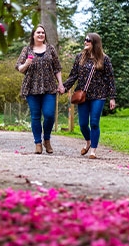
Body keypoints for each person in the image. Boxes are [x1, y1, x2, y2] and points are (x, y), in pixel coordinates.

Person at [62, 32, 117, 159]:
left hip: (99, 95)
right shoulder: (79, 57)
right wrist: (64, 87)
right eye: (85, 40)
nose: (85, 42)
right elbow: (73, 75)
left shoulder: (105, 59)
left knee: (94, 123)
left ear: (95, 43)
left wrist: (112, 97)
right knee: (82, 124)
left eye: (88, 40)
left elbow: (110, 79)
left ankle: (93, 151)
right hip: (83, 95)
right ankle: (88, 141)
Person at [16, 24, 65, 154]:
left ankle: (47, 139)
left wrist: (60, 84)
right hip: (32, 88)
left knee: (49, 115)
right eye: (38, 32)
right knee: (35, 116)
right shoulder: (27, 50)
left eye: (42, 33)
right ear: (33, 35)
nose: (40, 35)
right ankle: (38, 143)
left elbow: (57, 68)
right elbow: (19, 68)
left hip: (49, 87)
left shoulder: (50, 49)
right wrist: (26, 63)